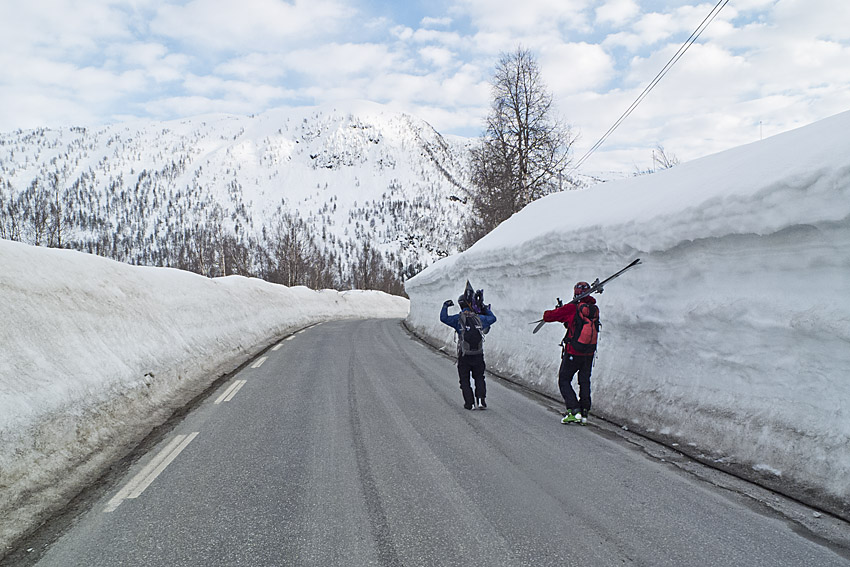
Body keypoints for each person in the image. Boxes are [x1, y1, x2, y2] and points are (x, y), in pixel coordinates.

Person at [542, 281, 600, 424]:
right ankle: (584, 411)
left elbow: (548, 316)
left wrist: (559, 310)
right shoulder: (593, 309)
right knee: (584, 381)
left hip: (574, 352)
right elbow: (573, 324)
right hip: (589, 353)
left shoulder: (573, 308)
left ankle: (574, 410)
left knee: (564, 379)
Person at [440, 292, 497, 410]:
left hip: (464, 355)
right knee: (479, 377)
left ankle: (469, 403)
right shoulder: (479, 318)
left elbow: (443, 318)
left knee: (465, 379)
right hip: (478, 354)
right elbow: (493, 318)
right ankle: (481, 400)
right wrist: (486, 309)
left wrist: (445, 306)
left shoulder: (458, 318)